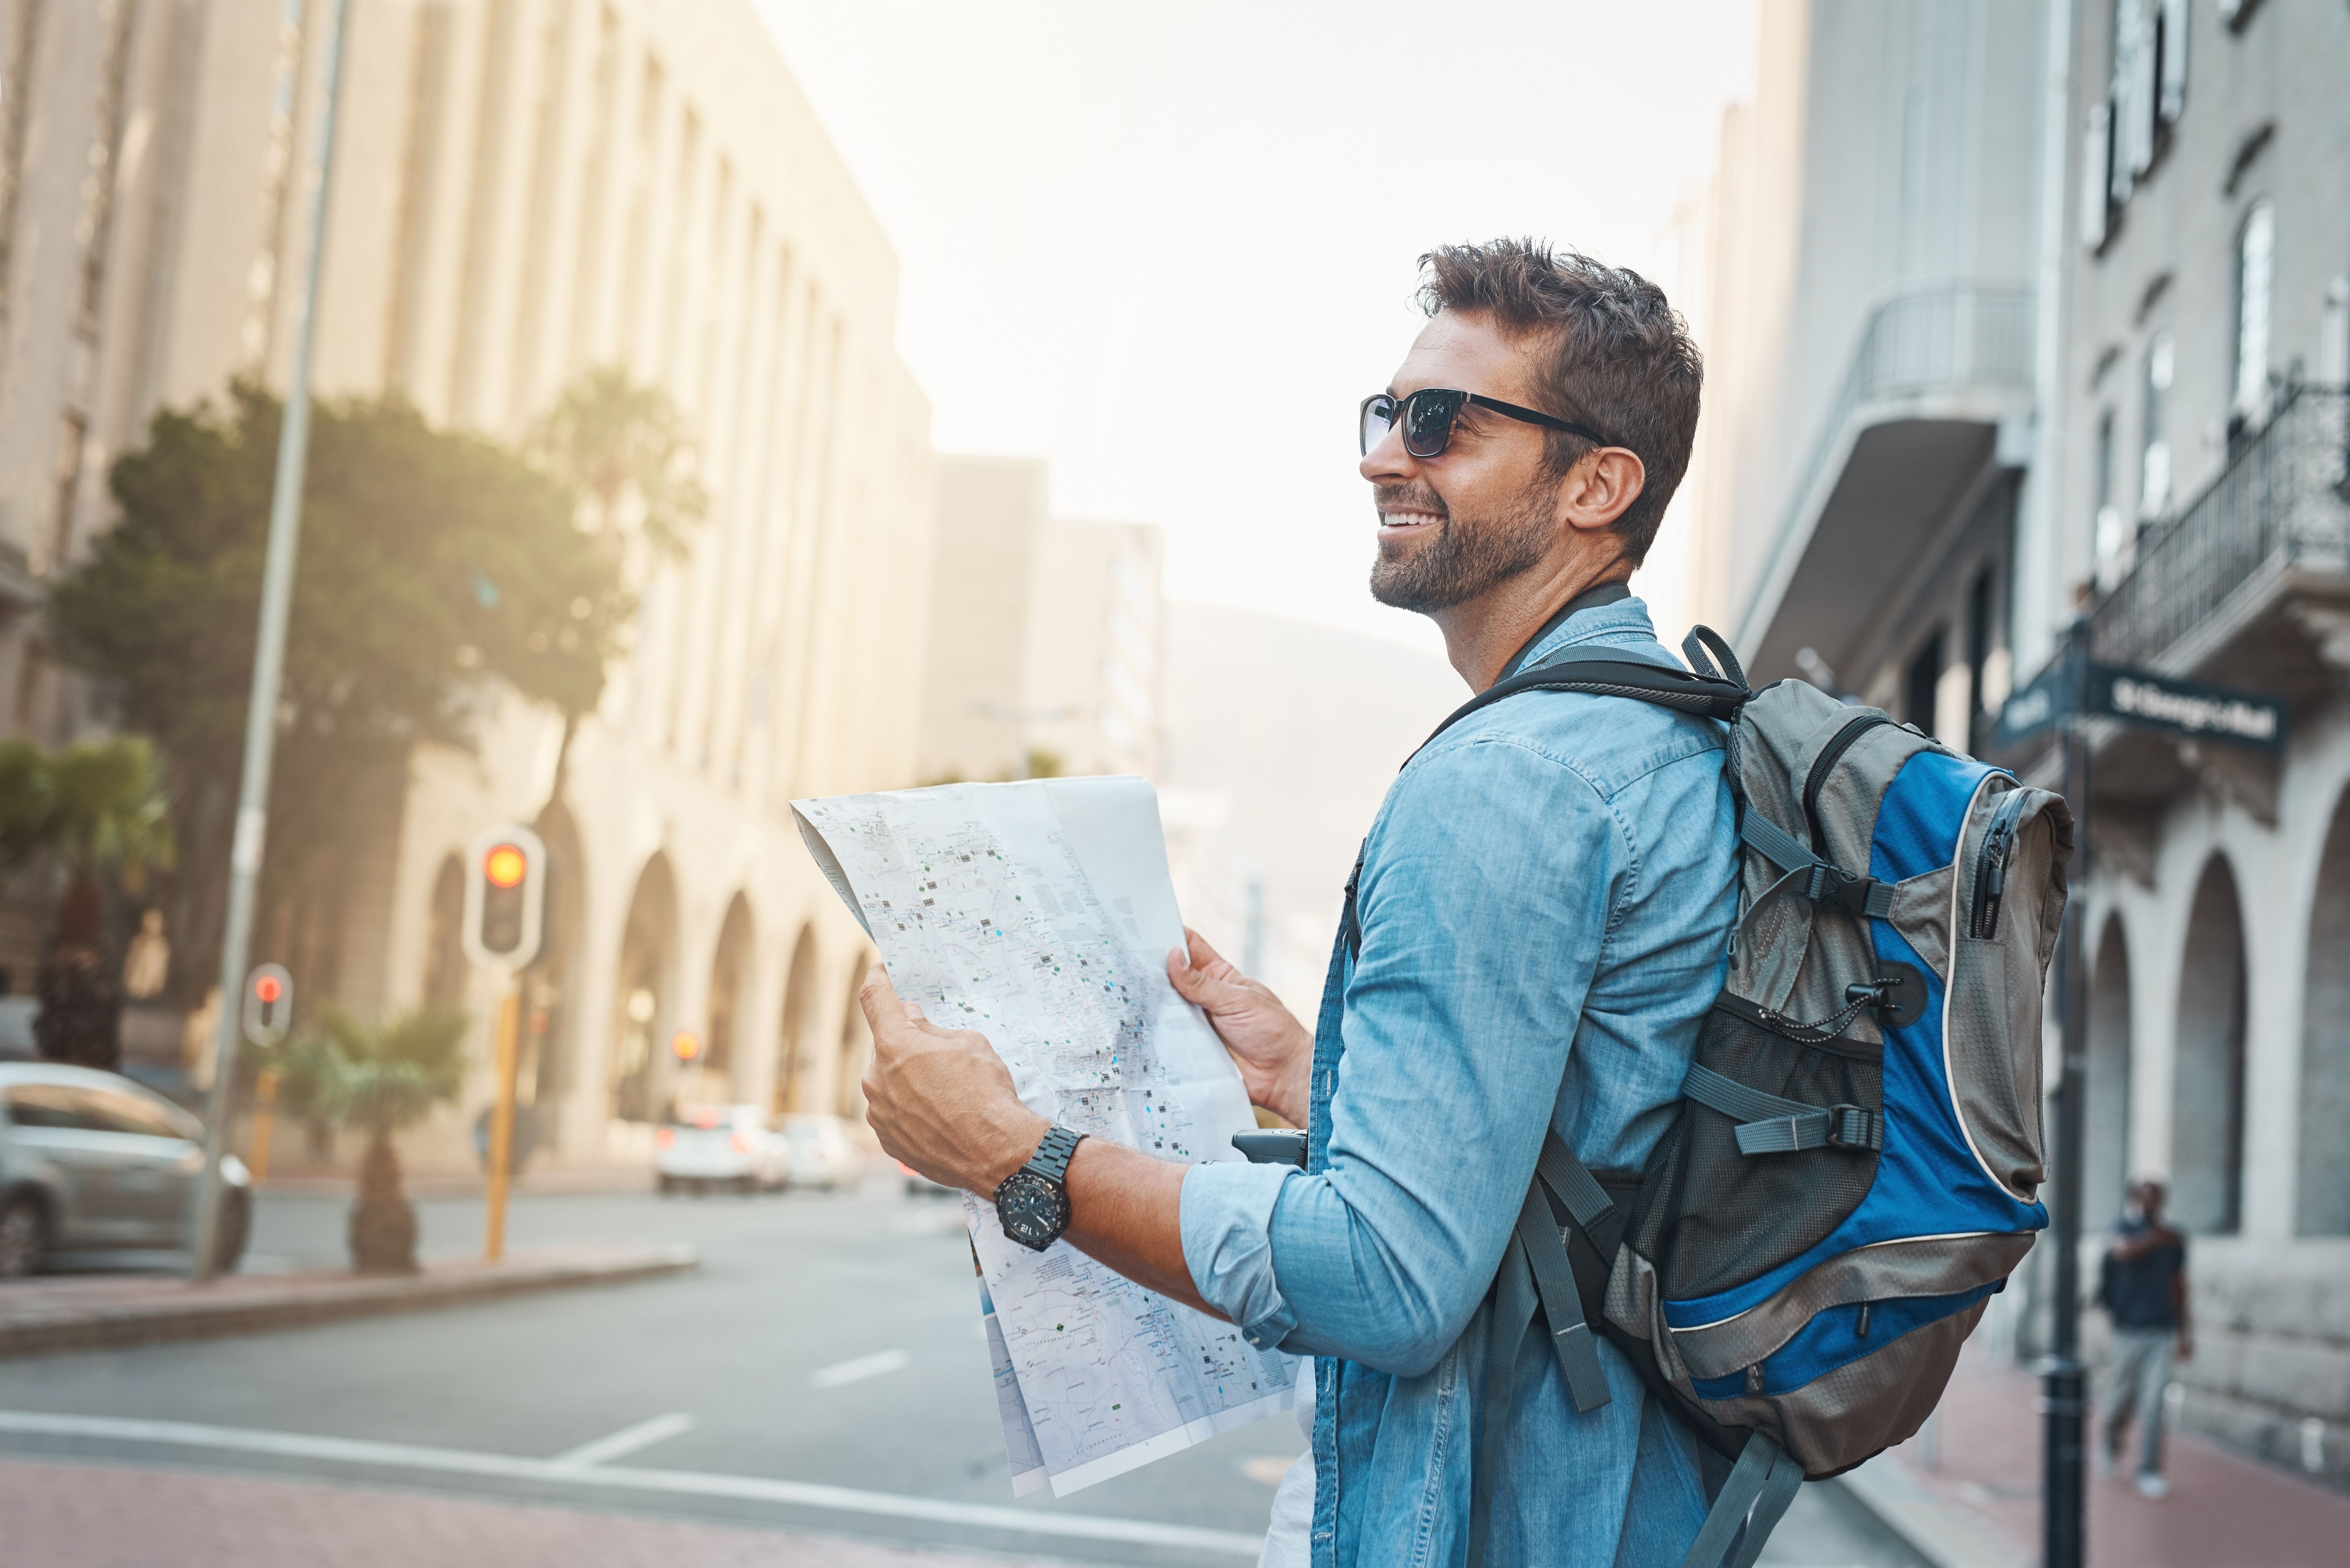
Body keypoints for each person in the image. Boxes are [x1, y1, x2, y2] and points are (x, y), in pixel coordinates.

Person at [858, 239, 1734, 1567]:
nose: (1386, 455)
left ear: (1596, 484)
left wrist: (1014, 1153)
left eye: (1441, 422)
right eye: (1385, 414)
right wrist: (1326, 1077)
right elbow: (1586, 1157)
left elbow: (1385, 1276)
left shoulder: (1505, 780)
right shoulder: (1653, 744)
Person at [2097, 1176, 2192, 1500]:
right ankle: (2110, 1446)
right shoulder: (2123, 1228)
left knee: (2154, 1404)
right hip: (2128, 1331)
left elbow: (2178, 1285)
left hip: (2162, 1331)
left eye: (2156, 1197)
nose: (2150, 1203)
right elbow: (2122, 1253)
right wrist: (2157, 1238)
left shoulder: (2175, 1239)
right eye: (2144, 1197)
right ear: (2136, 1199)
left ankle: (2148, 1470)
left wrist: (2185, 1332)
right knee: (2121, 1398)